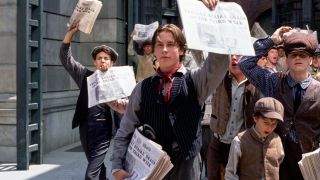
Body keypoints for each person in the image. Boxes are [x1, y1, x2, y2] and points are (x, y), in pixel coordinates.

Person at [111, 22, 229, 180]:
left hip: (187, 164)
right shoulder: (141, 88)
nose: (164, 50)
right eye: (159, 45)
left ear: (181, 50)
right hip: (152, 167)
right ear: (154, 50)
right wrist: (116, 166)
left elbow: (219, 61)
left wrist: (212, 19)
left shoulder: (195, 80)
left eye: (170, 44)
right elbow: (125, 130)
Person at [238, 26, 320, 180]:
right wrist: (271, 40)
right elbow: (245, 64)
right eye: (293, 55)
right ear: (286, 59)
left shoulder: (318, 90)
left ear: (310, 59)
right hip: (276, 161)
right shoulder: (274, 82)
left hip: (310, 163)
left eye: (302, 55)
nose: (297, 58)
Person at [59, 24, 127, 180]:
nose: (102, 61)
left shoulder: (119, 81)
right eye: (99, 58)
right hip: (86, 128)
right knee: (96, 165)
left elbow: (127, 106)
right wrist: (70, 33)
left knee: (91, 175)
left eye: (106, 58)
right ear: (95, 62)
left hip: (104, 130)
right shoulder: (85, 76)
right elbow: (66, 58)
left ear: (111, 63)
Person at [207, 55, 260, 180]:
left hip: (241, 147)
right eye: (231, 54)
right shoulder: (219, 76)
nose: (234, 58)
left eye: (239, 54)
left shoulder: (255, 82)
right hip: (218, 142)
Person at [225, 97, 285, 180]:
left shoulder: (277, 140)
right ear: (255, 118)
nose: (270, 127)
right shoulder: (239, 141)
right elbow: (230, 174)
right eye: (266, 123)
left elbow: (279, 162)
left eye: (274, 124)